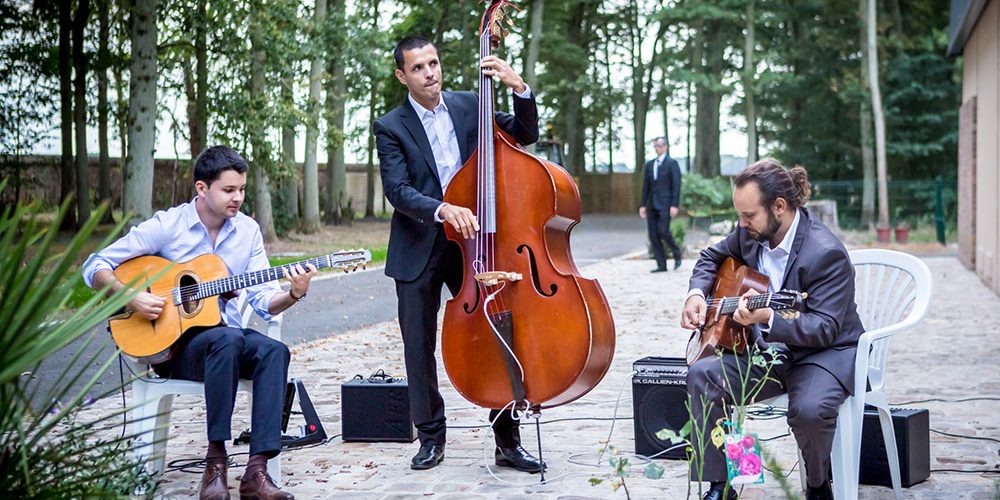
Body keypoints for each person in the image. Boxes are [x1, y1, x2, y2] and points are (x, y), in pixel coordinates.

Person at [82, 146, 312, 500]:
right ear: (202, 188)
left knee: (274, 351)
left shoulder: (247, 231)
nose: (238, 198)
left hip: (226, 339)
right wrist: (133, 298)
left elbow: (265, 301)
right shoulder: (168, 225)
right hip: (175, 349)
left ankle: (257, 471)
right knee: (229, 341)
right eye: (229, 190)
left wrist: (294, 294)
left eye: (242, 190)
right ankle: (215, 461)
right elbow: (95, 265)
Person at [373, 35, 544, 473]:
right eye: (418, 68)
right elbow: (398, 190)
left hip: (477, 242)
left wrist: (518, 87)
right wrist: (442, 208)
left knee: (497, 332)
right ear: (402, 76)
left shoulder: (472, 105)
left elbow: (525, 135)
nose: (430, 73)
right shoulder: (390, 126)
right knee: (418, 345)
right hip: (420, 245)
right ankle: (431, 437)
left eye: (433, 63)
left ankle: (507, 439)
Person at [679, 159, 864, 500]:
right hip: (769, 353)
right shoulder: (749, 235)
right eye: (740, 215)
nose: (741, 223)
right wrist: (695, 295)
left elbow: (824, 328)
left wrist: (767, 318)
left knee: (808, 411)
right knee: (704, 376)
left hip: (824, 354)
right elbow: (709, 258)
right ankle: (731, 479)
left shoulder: (825, 253)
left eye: (749, 215)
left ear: (779, 206)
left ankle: (817, 485)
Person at [639, 137, 683, 272]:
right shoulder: (650, 164)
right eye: (655, 146)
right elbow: (646, 186)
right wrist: (643, 205)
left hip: (666, 204)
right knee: (653, 235)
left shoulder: (672, 164)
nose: (657, 148)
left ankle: (677, 252)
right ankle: (661, 265)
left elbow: (676, 186)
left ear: (665, 147)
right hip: (652, 204)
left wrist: (674, 205)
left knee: (663, 231)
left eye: (659, 146)